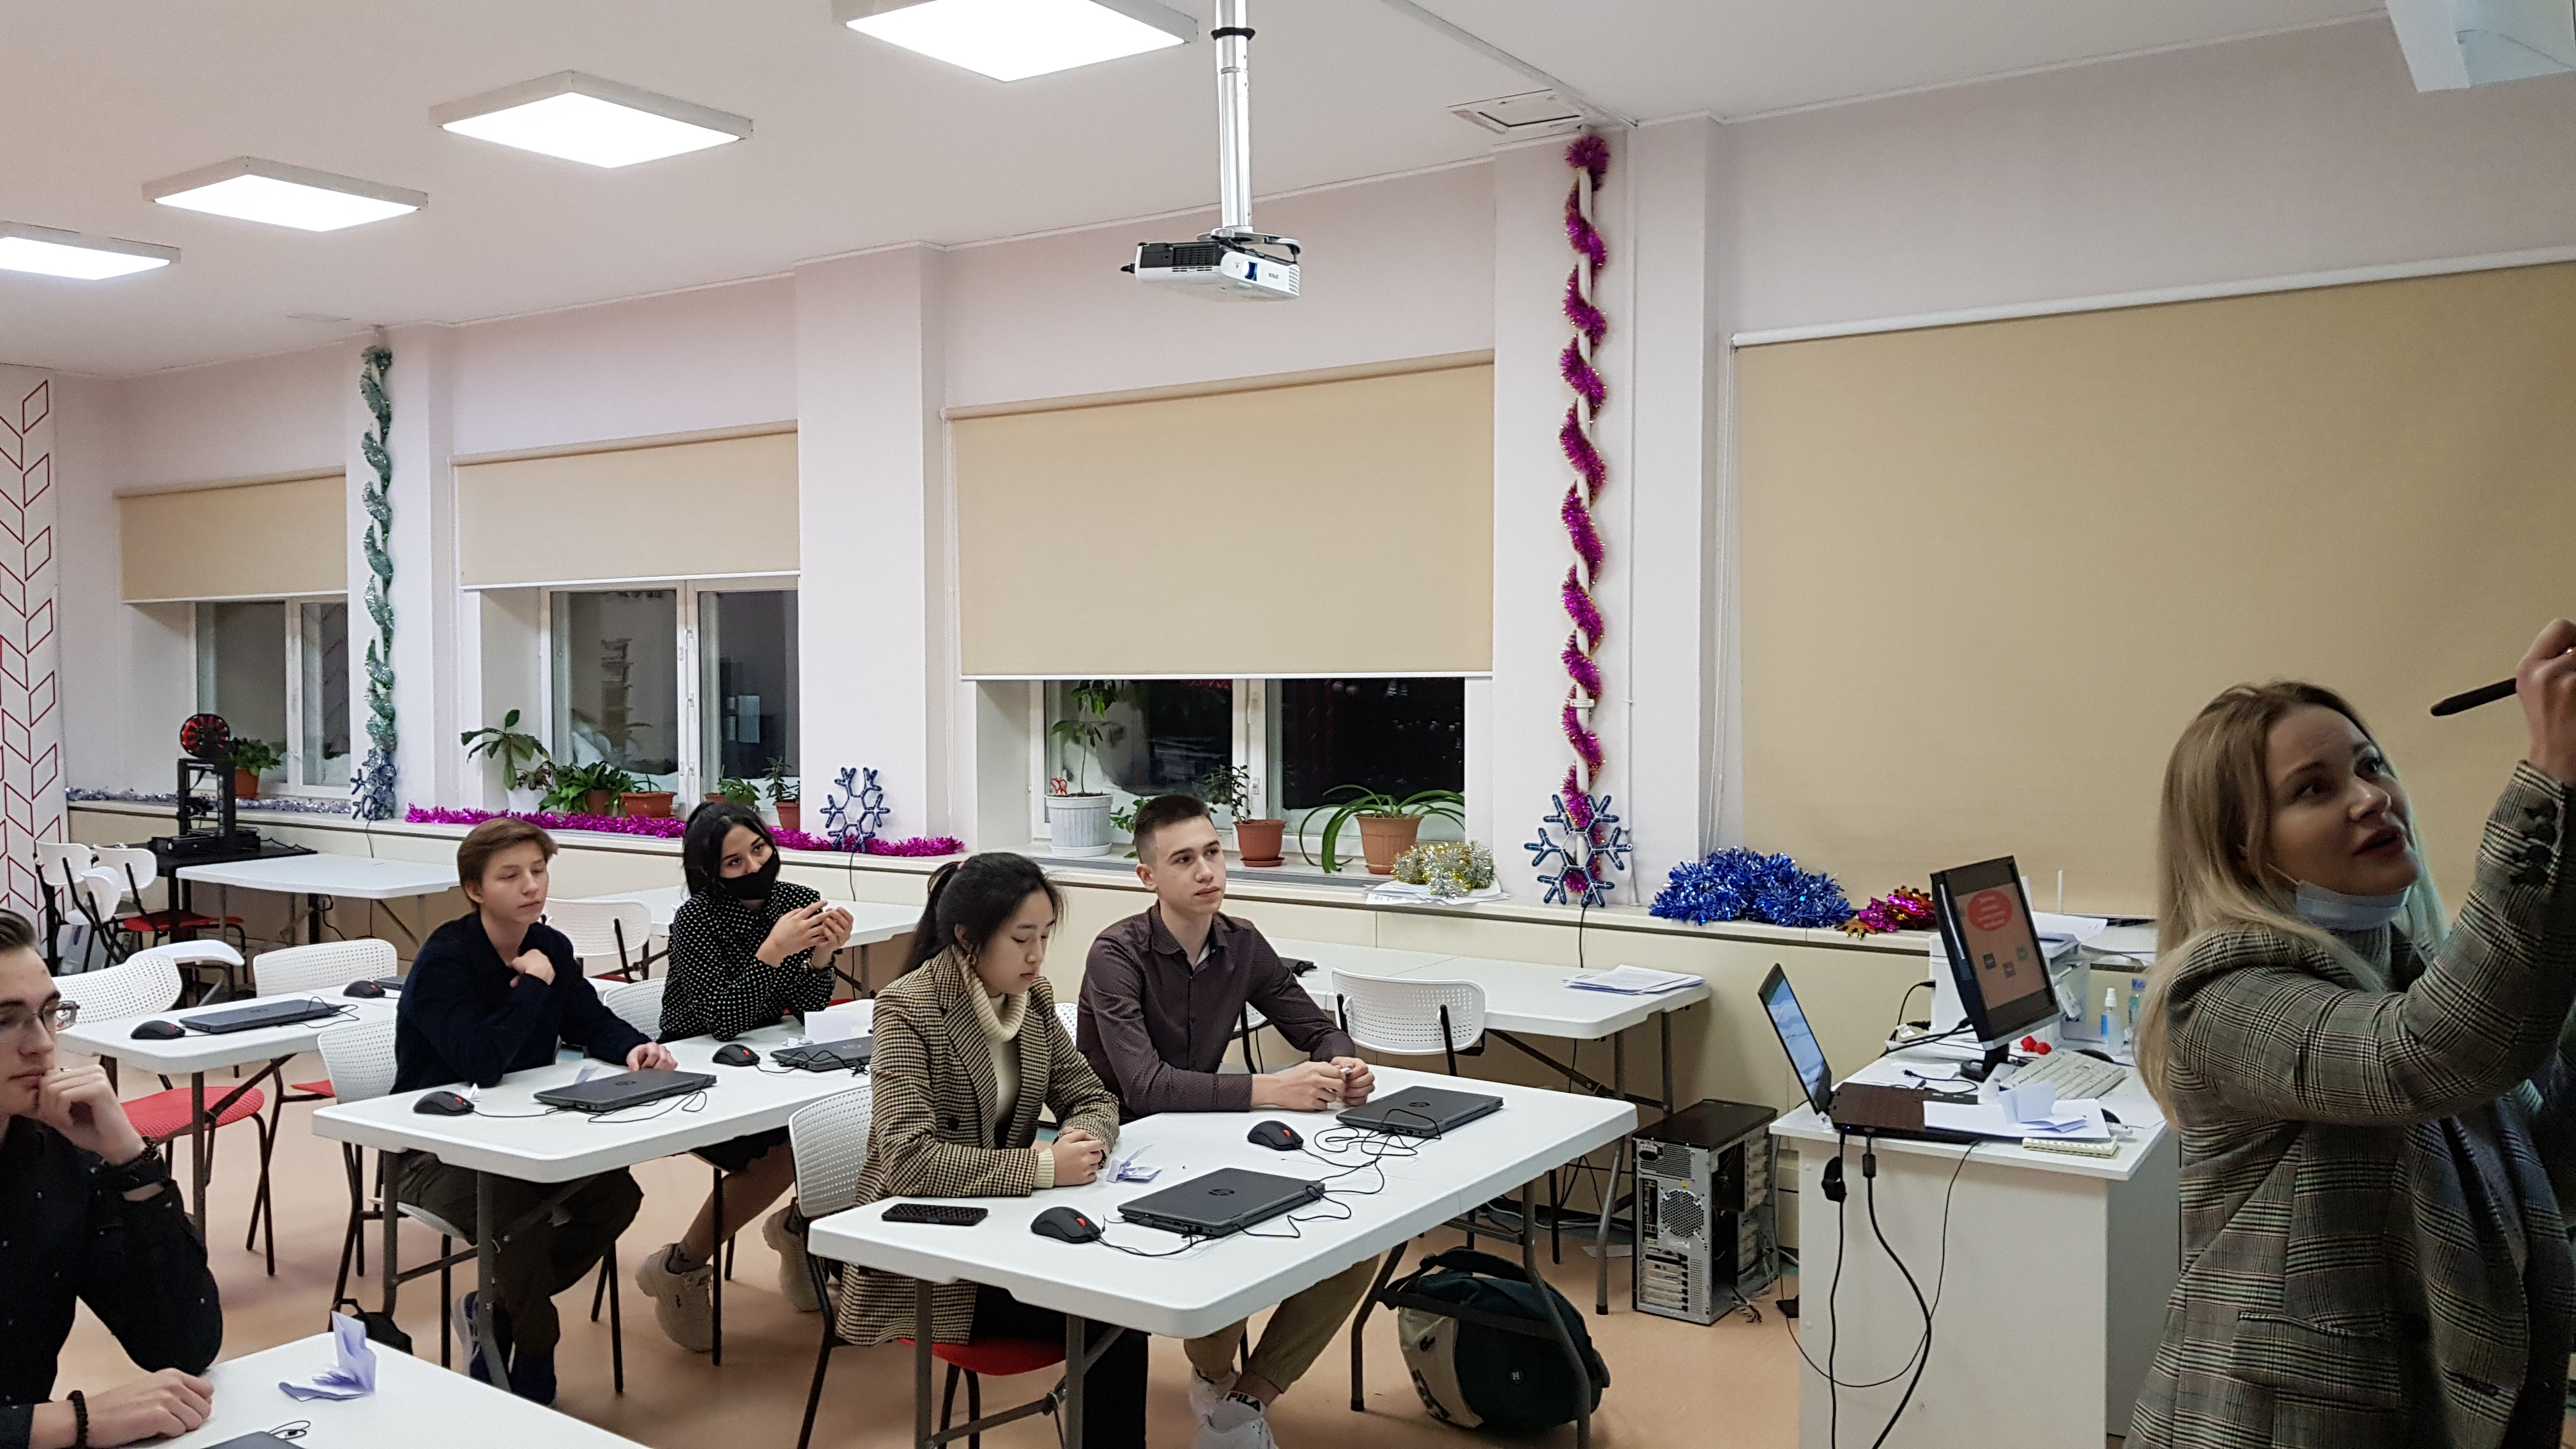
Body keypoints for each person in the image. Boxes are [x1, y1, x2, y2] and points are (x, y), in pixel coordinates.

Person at [2126, 620, 2576, 1449]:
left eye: (2371, 766)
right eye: (2313, 789)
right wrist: (2552, 778)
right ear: (2242, 849)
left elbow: (2544, 1165)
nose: (2371, 797)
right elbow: (2428, 1052)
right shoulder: (2218, 997)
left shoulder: (2404, 967)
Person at [1078, 793, 1376, 1449]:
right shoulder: (1116, 954)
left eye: (1213, 853)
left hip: (1213, 1139)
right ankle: (1216, 1378)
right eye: (1184, 860)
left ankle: (1243, 1403)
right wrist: (1275, 1090)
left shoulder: (1240, 942)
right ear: (1148, 877)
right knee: (1226, 1261)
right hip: (1123, 1154)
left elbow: (1317, 1028)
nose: (1207, 871)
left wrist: (1343, 1064)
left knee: (1359, 1240)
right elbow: (1146, 1086)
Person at [824, 853, 1143, 1448]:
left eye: (1045, 935)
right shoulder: (908, 1007)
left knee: (1124, 1297)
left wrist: (1085, 1138)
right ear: (968, 938)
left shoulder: (1032, 998)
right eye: (1022, 938)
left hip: (1004, 1222)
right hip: (924, 1248)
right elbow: (908, 1161)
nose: (1037, 955)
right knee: (1116, 1313)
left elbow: (1091, 1095)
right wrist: (1044, 1166)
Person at [395, 816, 677, 1405]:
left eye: (538, 871)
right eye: (510, 876)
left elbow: (589, 1019)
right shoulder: (446, 962)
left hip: (526, 1135)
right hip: (432, 1152)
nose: (531, 886)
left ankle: (493, 1309)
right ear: (475, 889)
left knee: (616, 1196)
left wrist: (634, 1048)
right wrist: (529, 988)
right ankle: (534, 1347)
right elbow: (482, 1062)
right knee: (516, 1207)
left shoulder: (549, 945)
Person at [634, 801, 854, 1351]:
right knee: (789, 1149)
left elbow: (808, 1008)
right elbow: (722, 1020)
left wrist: (822, 958)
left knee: (851, 1125)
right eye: (734, 862)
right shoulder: (698, 919)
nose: (754, 866)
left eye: (759, 849)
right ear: (711, 872)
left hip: (775, 1061)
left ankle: (799, 1228)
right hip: (699, 1072)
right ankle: (681, 1266)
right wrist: (773, 951)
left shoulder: (797, 900)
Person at [1, 908, 223, 1449]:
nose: (42, 1044)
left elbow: (182, 1346)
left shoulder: (56, 1150)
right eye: (5, 1020)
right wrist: (73, 1421)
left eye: (49, 1013)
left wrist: (130, 1160)